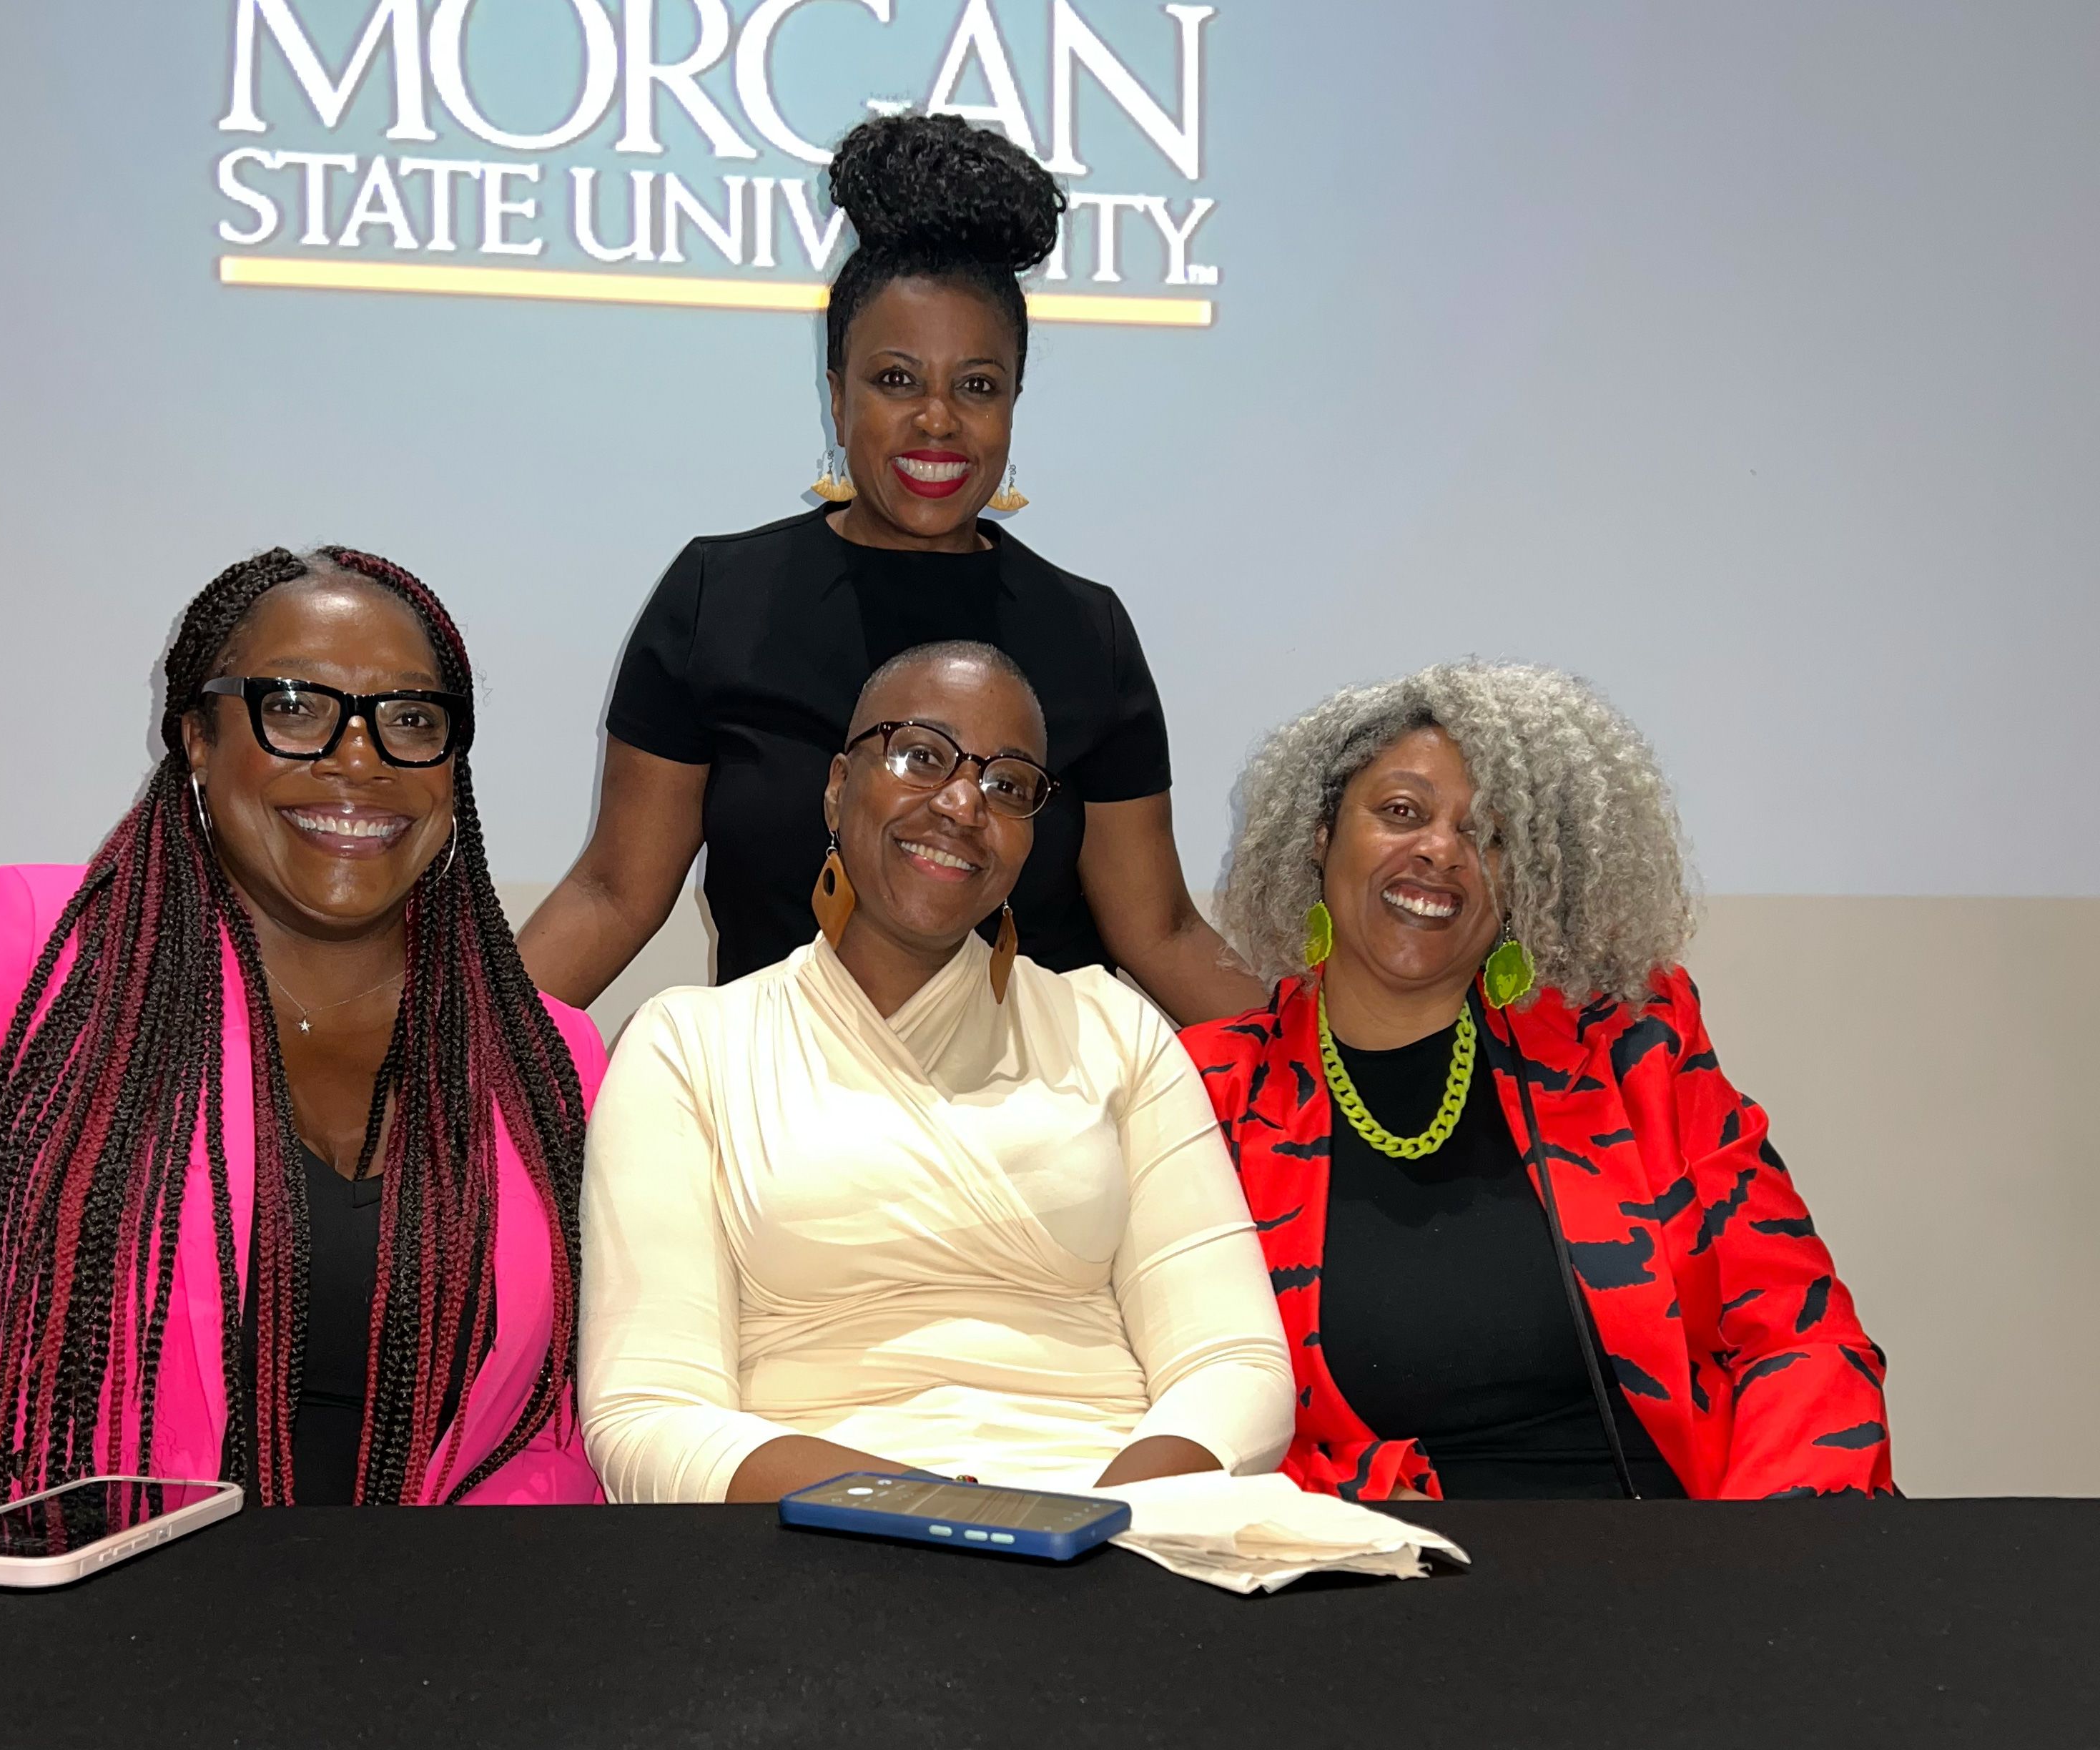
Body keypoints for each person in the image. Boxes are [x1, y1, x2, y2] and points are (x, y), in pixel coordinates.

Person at [0, 548, 604, 1508]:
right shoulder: (33, 961)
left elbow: (553, 1433)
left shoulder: (548, 1058)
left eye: (411, 718)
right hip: (50, 1615)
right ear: (196, 736)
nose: (361, 757)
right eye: (295, 705)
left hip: (422, 1630)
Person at [517, 113, 1262, 1026]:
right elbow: (611, 892)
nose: (938, 420)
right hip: (778, 1118)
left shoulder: (1084, 632)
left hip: (1033, 1123)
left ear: (1015, 402)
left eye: (977, 386)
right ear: (837, 393)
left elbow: (1165, 933)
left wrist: (1329, 1087)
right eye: (897, 380)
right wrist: (444, 1073)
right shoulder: (721, 599)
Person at [577, 642, 1292, 1502]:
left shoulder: (1117, 1031)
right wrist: (958, 1517)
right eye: (921, 754)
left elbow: (1235, 1364)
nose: (962, 803)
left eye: (1009, 784)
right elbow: (647, 1412)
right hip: (816, 1540)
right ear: (839, 786)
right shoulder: (686, 1045)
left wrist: (1093, 1523)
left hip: (1125, 1523)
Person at [1181, 662, 1893, 1501]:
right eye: (1400, 811)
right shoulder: (1212, 1090)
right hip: (1386, 1585)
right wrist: (1343, 1497)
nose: (1443, 849)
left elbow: (1800, 1334)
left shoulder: (1635, 1045)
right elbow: (1161, 1399)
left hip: (1685, 1564)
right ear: (1318, 835)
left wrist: (1764, 1559)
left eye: (1490, 832)